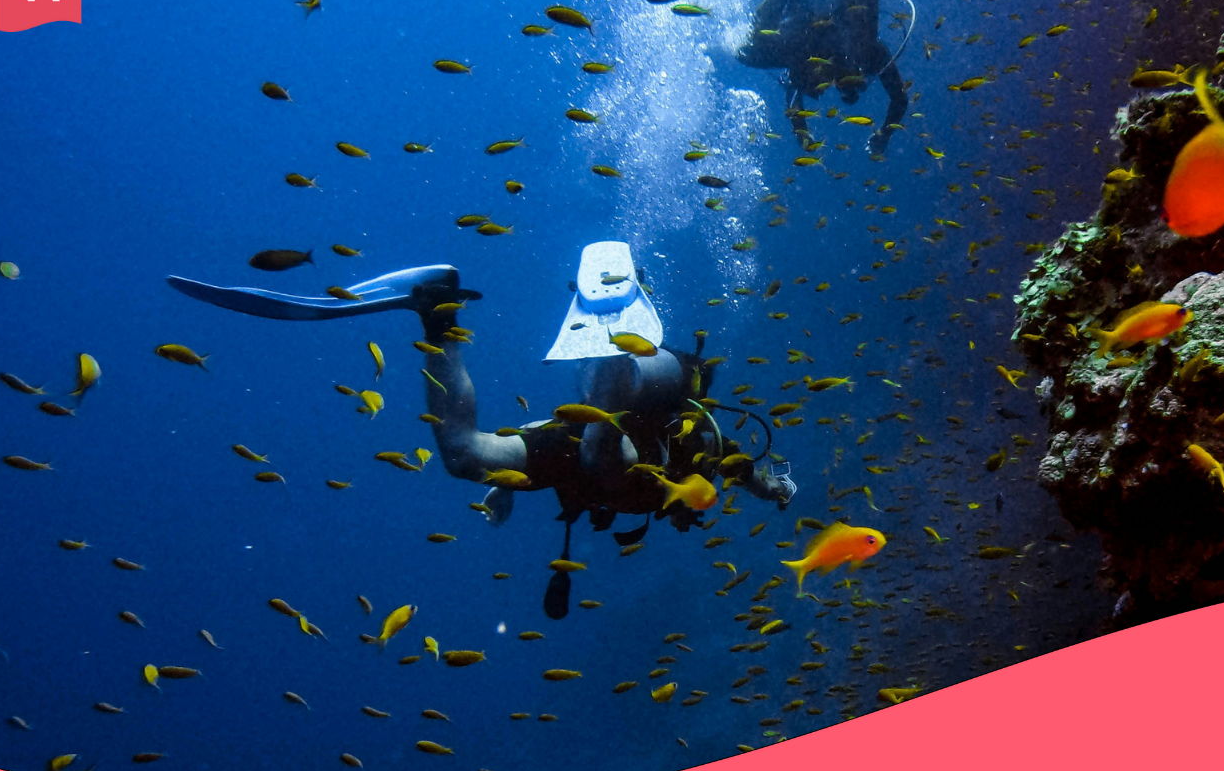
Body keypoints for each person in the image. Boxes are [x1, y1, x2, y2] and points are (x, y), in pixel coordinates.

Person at [166, 248, 796, 616]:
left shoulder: (688, 456)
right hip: (623, 452)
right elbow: (740, 467)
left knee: (466, 456)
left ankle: (437, 311)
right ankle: (619, 355)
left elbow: (562, 432)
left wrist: (504, 478)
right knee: (604, 448)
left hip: (582, 453)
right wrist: (770, 486)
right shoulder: (707, 451)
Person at [737, 0, 911, 159]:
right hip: (820, 20)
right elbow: (899, 98)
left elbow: (794, 97)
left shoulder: (811, 59)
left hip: (811, 22)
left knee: (750, 53)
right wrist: (884, 135)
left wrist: (804, 137)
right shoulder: (868, 56)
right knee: (749, 53)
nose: (822, 85)